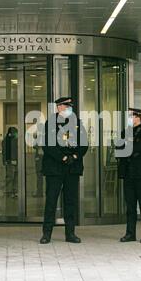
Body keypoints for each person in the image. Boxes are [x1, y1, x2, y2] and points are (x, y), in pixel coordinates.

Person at [40, 97, 88, 244]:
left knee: (70, 202)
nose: (68, 108)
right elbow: (47, 145)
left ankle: (70, 233)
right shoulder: (50, 123)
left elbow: (84, 144)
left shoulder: (77, 123)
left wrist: (74, 155)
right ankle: (46, 234)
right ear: (59, 107)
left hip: (72, 168)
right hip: (55, 168)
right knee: (51, 201)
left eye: (69, 106)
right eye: (65, 106)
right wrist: (62, 157)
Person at [116, 108, 141, 243]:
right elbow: (119, 149)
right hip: (128, 173)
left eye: (131, 116)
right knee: (130, 205)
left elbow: (140, 148)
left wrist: (129, 148)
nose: (129, 118)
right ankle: (130, 233)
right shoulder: (125, 132)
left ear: (138, 117)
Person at [2, 127, 18, 198]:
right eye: (15, 132)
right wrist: (5, 161)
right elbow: (4, 152)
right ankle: (9, 191)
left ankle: (14, 191)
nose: (16, 134)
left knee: (15, 177)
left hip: (15, 162)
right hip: (9, 162)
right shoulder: (6, 141)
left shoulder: (16, 140)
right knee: (10, 177)